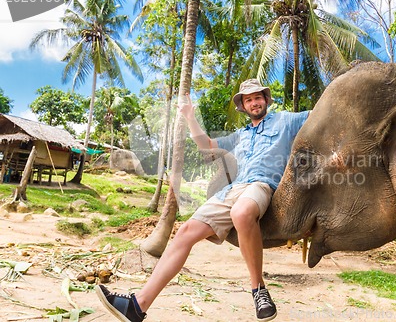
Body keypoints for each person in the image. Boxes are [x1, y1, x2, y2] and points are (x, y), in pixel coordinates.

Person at [96, 79, 309, 322]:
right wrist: (189, 116)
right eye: (248, 99)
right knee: (185, 231)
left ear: (266, 99)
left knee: (241, 213)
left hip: (262, 185)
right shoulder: (240, 135)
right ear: (243, 105)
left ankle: (258, 290)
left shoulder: (287, 120)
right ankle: (137, 306)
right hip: (232, 189)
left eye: (257, 97)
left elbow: (322, 113)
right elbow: (206, 146)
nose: (254, 102)